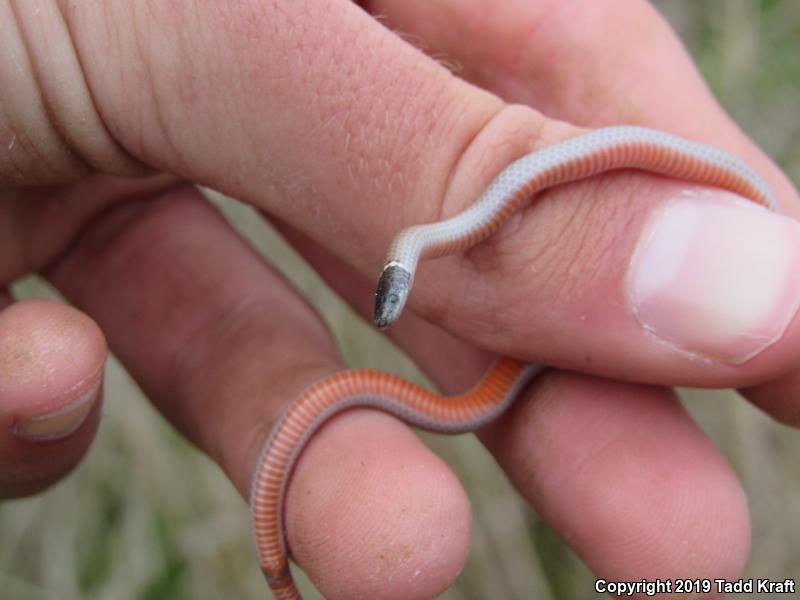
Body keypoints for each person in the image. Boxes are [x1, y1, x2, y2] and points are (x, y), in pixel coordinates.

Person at [1, 1, 798, 598]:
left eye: (396, 294)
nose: (394, 305)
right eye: (396, 296)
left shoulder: (436, 233)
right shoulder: (421, 245)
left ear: (401, 274)